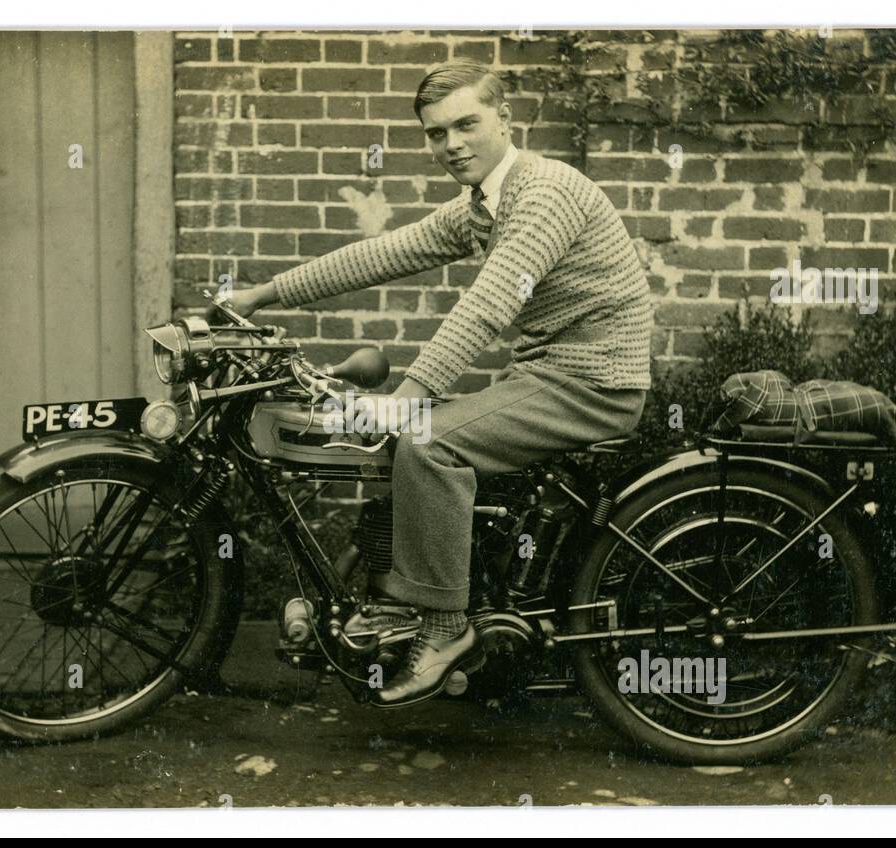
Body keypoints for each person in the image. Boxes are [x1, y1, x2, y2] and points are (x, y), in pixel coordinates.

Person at [222, 60, 654, 707]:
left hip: (592, 381)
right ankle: (406, 601)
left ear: (505, 120)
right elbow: (384, 253)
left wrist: (408, 399)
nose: (450, 144)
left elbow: (486, 307)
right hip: (550, 375)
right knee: (403, 442)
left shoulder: (542, 195)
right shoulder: (486, 204)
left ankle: (444, 628)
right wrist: (264, 294)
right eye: (435, 133)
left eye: (466, 125)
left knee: (429, 441)